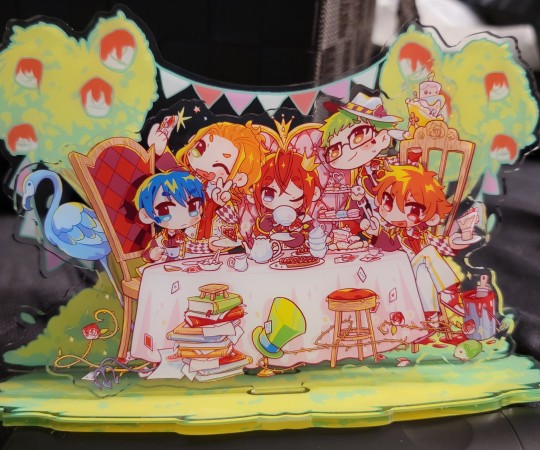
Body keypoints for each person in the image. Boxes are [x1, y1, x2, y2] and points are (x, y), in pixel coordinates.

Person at [364, 164, 473, 318]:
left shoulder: (421, 234)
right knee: (428, 254)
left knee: (424, 270)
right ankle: (448, 294)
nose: (397, 213)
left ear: (431, 217)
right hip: (400, 278)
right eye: (388, 201)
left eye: (413, 210)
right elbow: (387, 245)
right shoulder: (394, 233)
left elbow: (441, 246)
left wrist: (458, 240)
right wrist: (376, 233)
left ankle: (431, 317)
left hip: (417, 277)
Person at [149, 118, 267, 250]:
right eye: (199, 150)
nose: (203, 166)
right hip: (186, 242)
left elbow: (238, 226)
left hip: (219, 249)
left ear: (240, 178)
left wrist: (223, 205)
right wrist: (159, 151)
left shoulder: (237, 199)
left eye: (220, 165)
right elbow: (173, 170)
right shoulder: (191, 179)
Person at [319, 92, 404, 235]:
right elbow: (356, 210)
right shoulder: (360, 175)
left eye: (357, 137)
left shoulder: (394, 168)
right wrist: (361, 223)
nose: (347, 151)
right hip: (377, 234)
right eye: (335, 150)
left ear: (383, 138)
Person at [248, 149, 322, 249]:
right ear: (252, 194)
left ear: (314, 193)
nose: (281, 201)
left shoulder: (303, 218)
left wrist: (301, 239)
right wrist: (262, 229)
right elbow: (255, 241)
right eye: (269, 194)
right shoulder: (266, 219)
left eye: (293, 195)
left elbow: (313, 237)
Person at [134, 170, 209, 263]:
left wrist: (210, 245)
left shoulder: (183, 236)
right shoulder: (160, 239)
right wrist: (152, 254)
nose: (181, 216)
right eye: (165, 211)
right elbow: (147, 254)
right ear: (147, 216)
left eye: (192, 207)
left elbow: (194, 246)